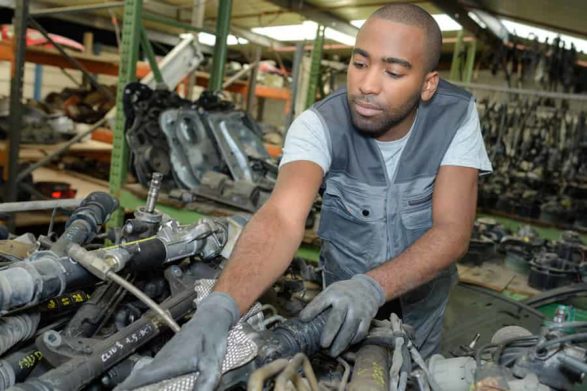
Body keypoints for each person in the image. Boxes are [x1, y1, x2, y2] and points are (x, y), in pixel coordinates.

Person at [119, 3, 492, 390]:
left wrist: (372, 287)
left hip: (421, 309)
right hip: (338, 315)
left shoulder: (456, 116)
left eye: (393, 72)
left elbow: (452, 229)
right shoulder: (320, 124)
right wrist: (220, 306)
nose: (368, 84)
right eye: (359, 64)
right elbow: (281, 216)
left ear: (428, 84)